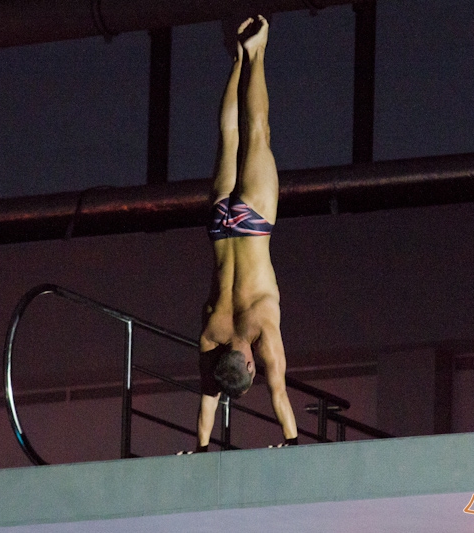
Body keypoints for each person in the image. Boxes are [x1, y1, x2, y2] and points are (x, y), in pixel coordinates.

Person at [191, 15, 298, 453]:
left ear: (251, 365)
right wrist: (200, 447)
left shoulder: (262, 332)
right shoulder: (211, 337)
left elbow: (279, 393)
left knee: (258, 132)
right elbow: (206, 401)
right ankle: (237, 60)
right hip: (220, 225)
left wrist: (291, 439)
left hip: (253, 223)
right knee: (228, 136)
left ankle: (257, 52)